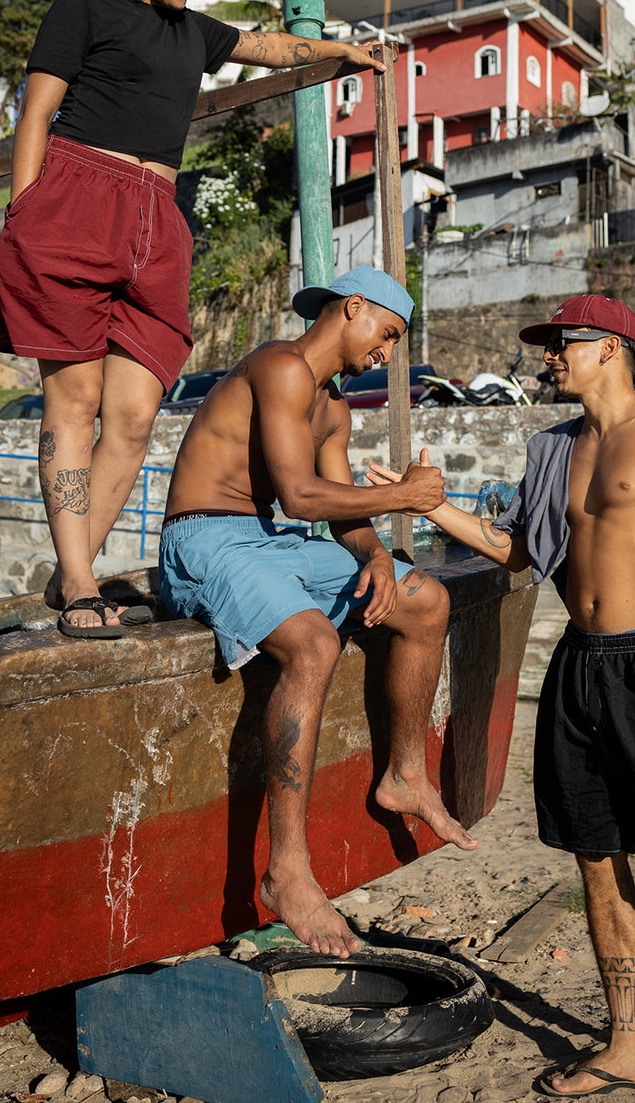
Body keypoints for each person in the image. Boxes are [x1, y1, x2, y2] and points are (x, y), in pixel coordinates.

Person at [367, 294, 635, 1103]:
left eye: (565, 343)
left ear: (613, 348)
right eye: (551, 345)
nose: (551, 356)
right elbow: (520, 551)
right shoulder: (551, 446)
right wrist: (427, 506)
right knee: (596, 858)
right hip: (581, 668)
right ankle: (631, 1046)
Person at [0, 0, 381, 639]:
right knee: (73, 403)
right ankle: (77, 581)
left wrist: (337, 50)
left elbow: (267, 45)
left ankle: (75, 569)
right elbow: (35, 114)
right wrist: (24, 213)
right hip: (75, 201)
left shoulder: (195, 32)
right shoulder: (84, 7)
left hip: (157, 223)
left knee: (135, 417)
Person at [157, 266, 479, 958]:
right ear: (353, 308)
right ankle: (288, 871)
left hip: (278, 542)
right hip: (206, 535)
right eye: (388, 335)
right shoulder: (279, 367)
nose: (387, 354)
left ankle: (405, 775)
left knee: (427, 602)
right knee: (312, 645)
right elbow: (302, 497)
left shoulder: (333, 406)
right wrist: (404, 499)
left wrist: (376, 557)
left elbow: (334, 512)